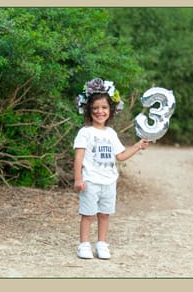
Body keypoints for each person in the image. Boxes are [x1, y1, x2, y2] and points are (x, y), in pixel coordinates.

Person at [73, 78, 149, 259]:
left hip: (109, 182)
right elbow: (79, 157)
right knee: (87, 214)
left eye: (104, 107)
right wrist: (78, 178)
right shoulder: (85, 132)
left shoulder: (111, 133)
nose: (100, 111)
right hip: (90, 181)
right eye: (95, 108)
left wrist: (138, 146)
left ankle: (101, 244)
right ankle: (84, 244)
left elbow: (120, 156)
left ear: (111, 110)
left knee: (104, 214)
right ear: (88, 110)